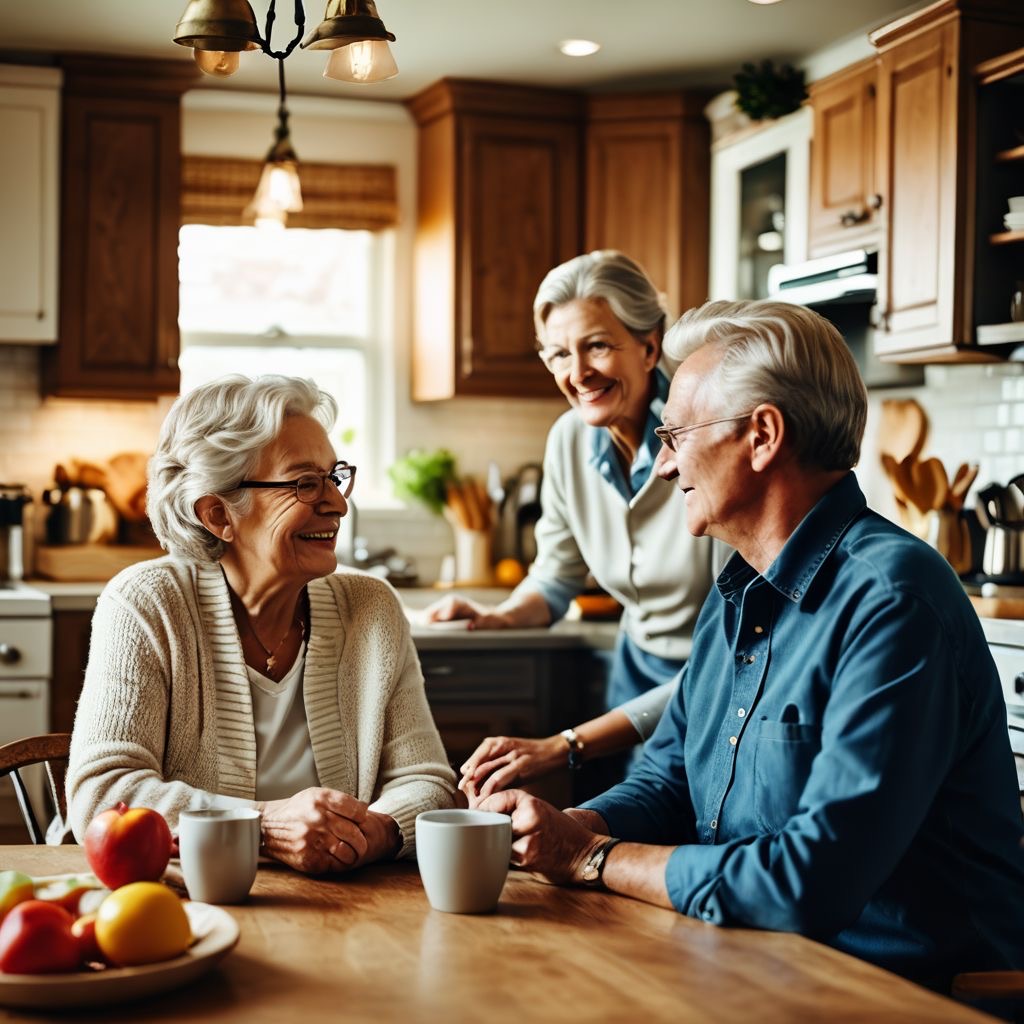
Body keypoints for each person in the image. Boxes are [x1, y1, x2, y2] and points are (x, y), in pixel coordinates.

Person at [475, 299, 1024, 986]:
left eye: (674, 436)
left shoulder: (892, 602)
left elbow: (809, 880)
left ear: (762, 436)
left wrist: (590, 856)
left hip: (904, 989)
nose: (664, 466)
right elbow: (670, 781)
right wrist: (564, 823)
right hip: (757, 961)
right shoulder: (738, 590)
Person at [66, 375, 456, 874]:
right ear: (218, 514)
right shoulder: (147, 603)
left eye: (334, 477)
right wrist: (265, 826)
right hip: (184, 901)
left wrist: (371, 834)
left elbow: (426, 780)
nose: (337, 503)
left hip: (344, 904)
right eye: (304, 483)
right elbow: (104, 794)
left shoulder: (371, 607)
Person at [426, 250, 718, 779]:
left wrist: (566, 744)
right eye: (559, 354)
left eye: (598, 346)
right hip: (634, 667)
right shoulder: (568, 440)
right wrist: (501, 617)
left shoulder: (704, 439)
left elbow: (735, 638)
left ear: (650, 346)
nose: (577, 373)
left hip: (718, 675)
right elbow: (556, 575)